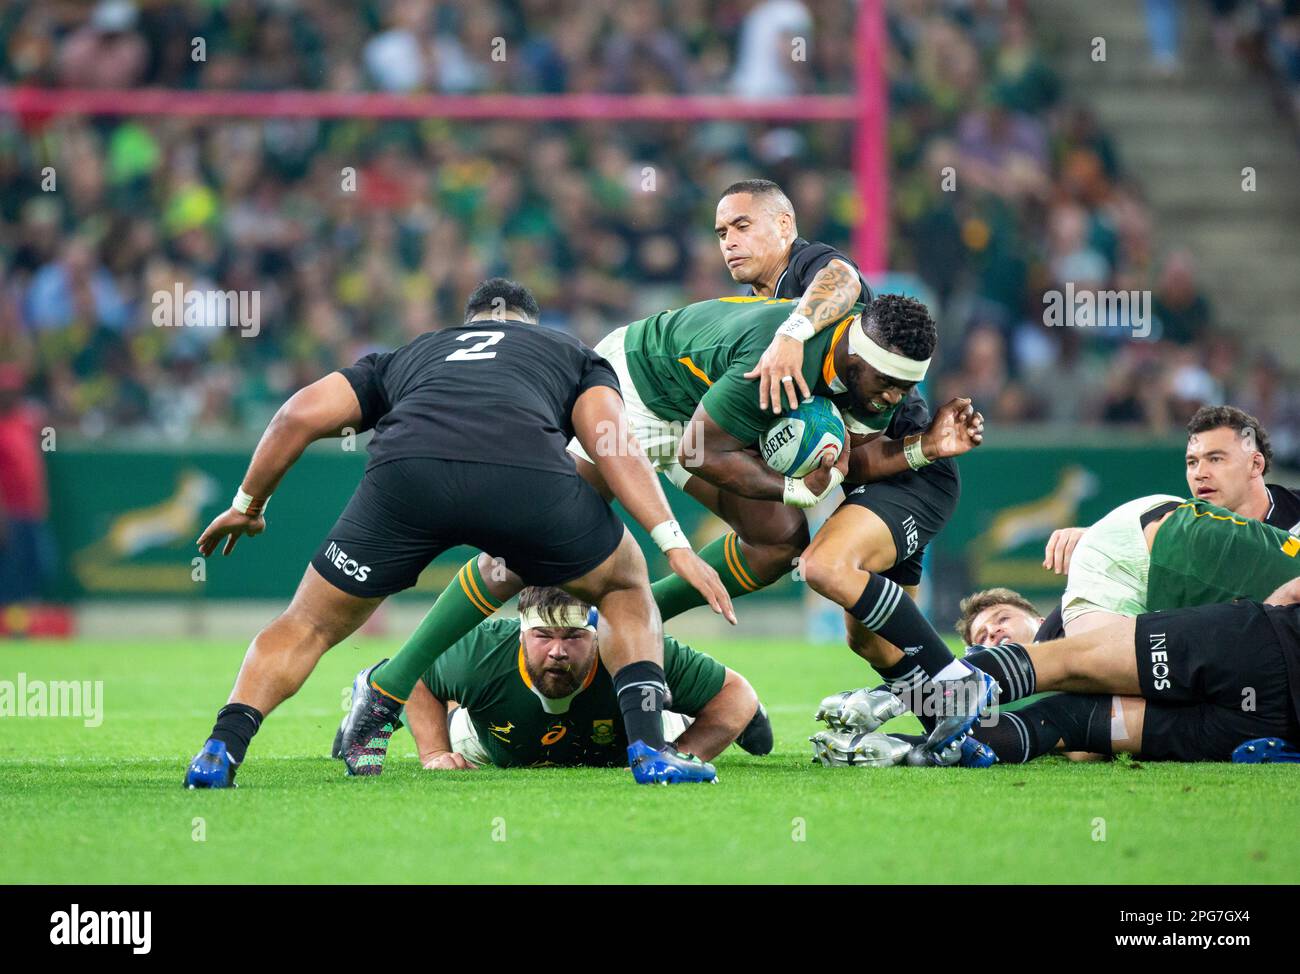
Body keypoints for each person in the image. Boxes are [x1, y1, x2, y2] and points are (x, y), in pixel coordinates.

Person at [184, 278, 733, 789]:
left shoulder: (411, 353)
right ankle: (649, 752)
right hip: (526, 480)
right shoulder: (570, 353)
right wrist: (673, 543)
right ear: (530, 325)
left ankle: (219, 750)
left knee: (306, 622)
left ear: (469, 323)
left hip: (406, 477)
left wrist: (247, 505)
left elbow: (297, 415)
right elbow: (613, 444)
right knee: (623, 588)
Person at [817, 577, 1300, 767]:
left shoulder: (1071, 613)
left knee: (1066, 674)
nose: (995, 634)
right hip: (1263, 707)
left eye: (1001, 620)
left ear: (1033, 612)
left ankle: (897, 712)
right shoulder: (1013, 687)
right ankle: (906, 743)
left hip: (1259, 674)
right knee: (1065, 715)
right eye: (982, 636)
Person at [356, 586, 772, 770]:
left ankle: (742, 718)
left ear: (599, 634)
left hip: (633, 737)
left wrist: (680, 754)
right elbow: (420, 679)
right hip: (492, 744)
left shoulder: (636, 649)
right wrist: (434, 753)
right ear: (521, 633)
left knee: (713, 708)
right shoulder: (480, 651)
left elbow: (735, 692)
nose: (557, 651)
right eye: (543, 636)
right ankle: (369, 685)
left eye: (573, 636)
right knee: (453, 706)